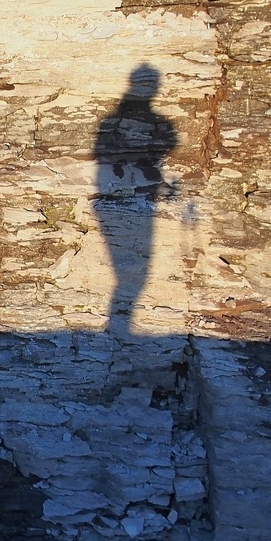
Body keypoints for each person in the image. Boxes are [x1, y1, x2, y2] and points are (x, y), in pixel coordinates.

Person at [93, 63, 178, 338]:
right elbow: (170, 142)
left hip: (118, 185)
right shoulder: (157, 121)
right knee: (133, 261)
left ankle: (120, 316)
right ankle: (123, 318)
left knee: (126, 259)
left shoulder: (110, 120)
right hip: (131, 188)